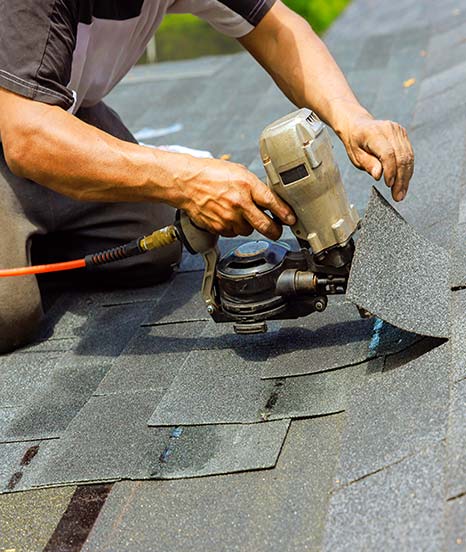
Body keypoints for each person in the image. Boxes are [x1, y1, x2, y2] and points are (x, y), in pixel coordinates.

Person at [0, 0, 414, 353]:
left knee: (153, 240)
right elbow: (27, 136)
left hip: (57, 114)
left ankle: (31, 243)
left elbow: (276, 29)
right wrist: (185, 179)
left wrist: (352, 117)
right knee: (10, 311)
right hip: (23, 124)